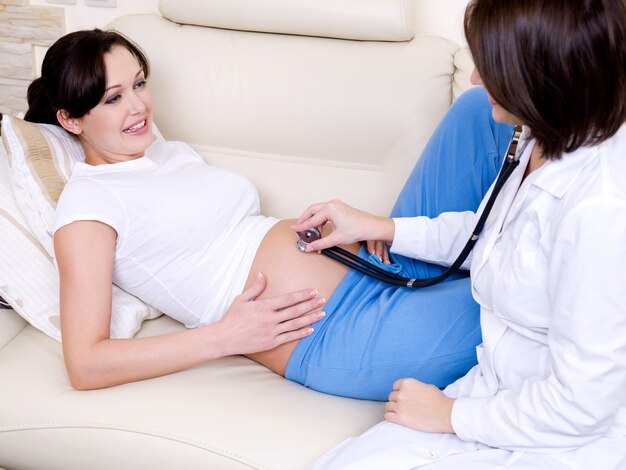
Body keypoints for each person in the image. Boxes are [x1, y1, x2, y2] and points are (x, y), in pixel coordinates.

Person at [25, 29, 509, 398]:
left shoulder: (162, 151)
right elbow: (86, 363)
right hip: (334, 333)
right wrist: (223, 337)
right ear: (70, 119)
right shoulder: (88, 208)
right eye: (114, 98)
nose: (139, 105)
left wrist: (374, 228)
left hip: (379, 261)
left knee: (478, 107)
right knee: (521, 296)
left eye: (139, 83)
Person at [300, 0, 626, 467]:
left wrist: (451, 415)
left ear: (545, 75)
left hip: (554, 432)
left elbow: (581, 406)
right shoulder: (543, 138)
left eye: (492, 67)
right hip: (495, 395)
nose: (475, 79)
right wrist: (382, 227)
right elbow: (493, 237)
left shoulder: (602, 208)